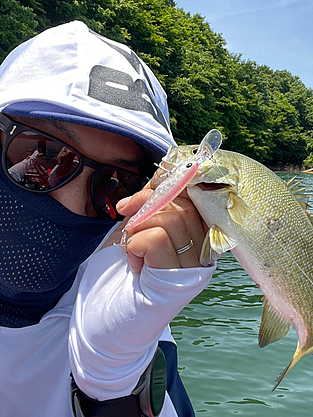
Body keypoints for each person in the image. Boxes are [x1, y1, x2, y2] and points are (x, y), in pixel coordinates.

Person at [0, 21, 215, 417]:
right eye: (44, 153)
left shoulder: (122, 319)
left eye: (117, 184)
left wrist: (114, 390)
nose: (68, 201)